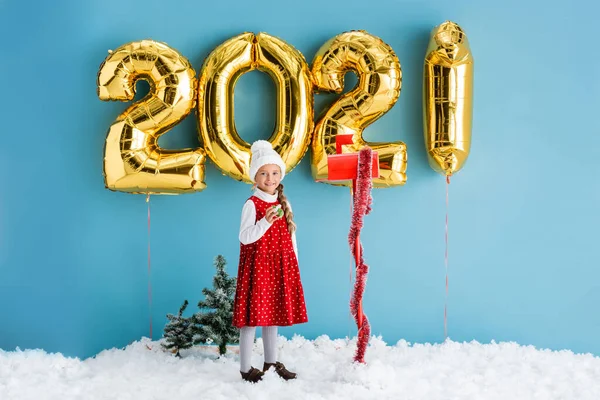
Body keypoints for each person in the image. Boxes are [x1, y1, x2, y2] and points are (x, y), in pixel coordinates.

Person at [232, 140, 308, 383]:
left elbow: (291, 237)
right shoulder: (251, 204)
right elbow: (244, 238)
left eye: (275, 173)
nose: (270, 178)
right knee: (251, 320)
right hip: (257, 270)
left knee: (272, 316)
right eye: (263, 173)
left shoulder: (283, 203)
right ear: (255, 177)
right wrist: (264, 221)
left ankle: (271, 363)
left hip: (279, 269)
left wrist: (294, 264)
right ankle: (245, 369)